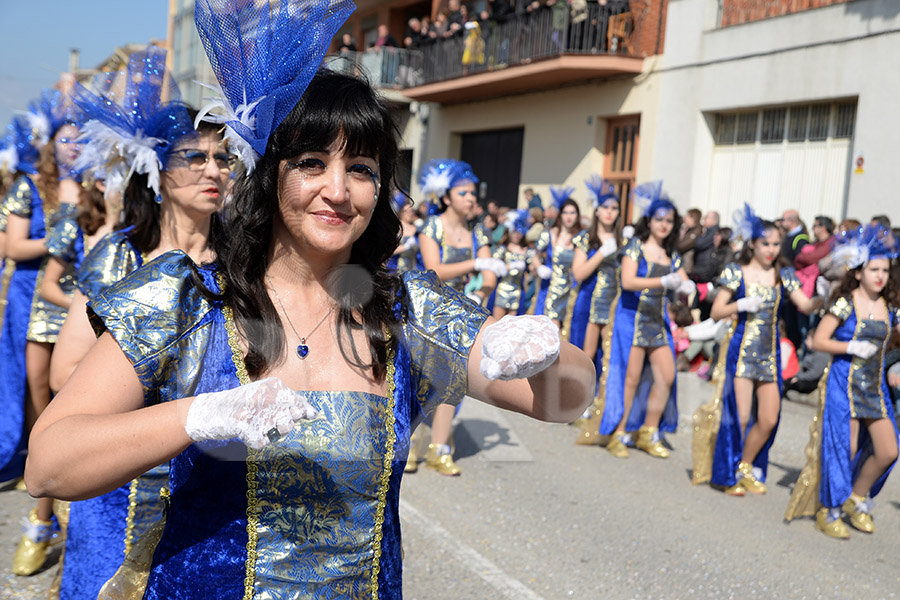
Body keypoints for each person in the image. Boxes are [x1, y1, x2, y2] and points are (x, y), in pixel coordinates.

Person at [25, 25, 595, 600]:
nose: (338, 190)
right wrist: (198, 417)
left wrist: (541, 353)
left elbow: (568, 400)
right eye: (311, 162)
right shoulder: (187, 302)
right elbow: (48, 464)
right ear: (270, 174)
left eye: (362, 169)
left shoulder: (408, 313)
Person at [43, 47, 233, 599]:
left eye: (222, 158)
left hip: (204, 483)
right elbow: (63, 374)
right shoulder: (118, 257)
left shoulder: (241, 265)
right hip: (120, 489)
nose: (212, 169)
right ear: (155, 166)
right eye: (193, 157)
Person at [691, 205, 823, 494]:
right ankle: (728, 472)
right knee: (739, 416)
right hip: (741, 350)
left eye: (776, 244)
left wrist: (825, 295)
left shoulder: (783, 273)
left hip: (770, 354)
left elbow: (804, 304)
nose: (771, 250)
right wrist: (738, 305)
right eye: (766, 243)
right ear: (752, 243)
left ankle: (745, 465)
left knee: (769, 419)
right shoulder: (736, 271)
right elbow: (715, 311)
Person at [6, 90, 83, 577]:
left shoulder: (102, 185)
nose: (72, 146)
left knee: (69, 399)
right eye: (65, 138)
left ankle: (58, 502)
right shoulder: (30, 184)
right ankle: (45, 481)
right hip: (43, 297)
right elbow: (13, 245)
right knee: (36, 387)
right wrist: (58, 234)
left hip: (87, 307)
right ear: (50, 143)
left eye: (80, 139)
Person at [786, 225, 899, 539]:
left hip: (874, 387)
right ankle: (829, 509)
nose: (880, 276)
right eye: (874, 269)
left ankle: (856, 497)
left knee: (889, 450)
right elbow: (818, 340)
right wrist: (849, 346)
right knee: (844, 449)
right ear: (859, 272)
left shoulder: (890, 308)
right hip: (843, 382)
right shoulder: (845, 302)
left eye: (885, 270)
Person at [577, 181, 694, 455]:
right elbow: (628, 282)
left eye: (669, 221)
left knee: (666, 376)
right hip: (631, 317)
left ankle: (648, 431)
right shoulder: (635, 247)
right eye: (659, 219)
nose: (664, 225)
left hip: (658, 319)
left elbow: (684, 284)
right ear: (650, 221)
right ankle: (618, 433)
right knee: (630, 378)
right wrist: (663, 280)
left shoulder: (672, 254)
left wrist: (688, 290)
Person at [416, 158, 506, 475]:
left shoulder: (476, 231)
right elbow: (434, 270)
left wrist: (481, 292)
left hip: (462, 313)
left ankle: (440, 449)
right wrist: (475, 267)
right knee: (421, 381)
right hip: (428, 311)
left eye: (472, 193)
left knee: (452, 381)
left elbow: (490, 269)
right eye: (464, 193)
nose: (471, 199)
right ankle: (412, 444)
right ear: (447, 196)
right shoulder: (432, 226)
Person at [566, 175, 619, 359]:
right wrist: (602, 253)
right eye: (605, 207)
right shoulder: (585, 238)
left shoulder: (623, 241)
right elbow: (578, 274)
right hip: (589, 302)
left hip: (613, 303)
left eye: (614, 208)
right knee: (585, 356)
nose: (609, 212)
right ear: (597, 211)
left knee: (610, 356)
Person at [531, 187, 581, 330]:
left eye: (572, 212)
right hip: (549, 290)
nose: (569, 216)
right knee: (546, 330)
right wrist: (539, 266)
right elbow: (535, 255)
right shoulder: (549, 234)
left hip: (571, 292)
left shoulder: (581, 238)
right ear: (560, 214)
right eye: (565, 212)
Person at [491, 209, 532, 318]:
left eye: (519, 232)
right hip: (502, 291)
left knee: (512, 328)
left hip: (517, 293)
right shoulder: (503, 249)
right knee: (497, 324)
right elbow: (493, 266)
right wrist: (511, 266)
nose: (516, 235)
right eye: (514, 231)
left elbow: (533, 268)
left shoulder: (526, 251)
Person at [386, 192, 421, 275]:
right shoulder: (395, 228)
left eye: (411, 211)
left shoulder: (416, 229)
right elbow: (388, 251)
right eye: (407, 211)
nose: (410, 214)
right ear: (401, 212)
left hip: (412, 270)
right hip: (395, 270)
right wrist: (405, 246)